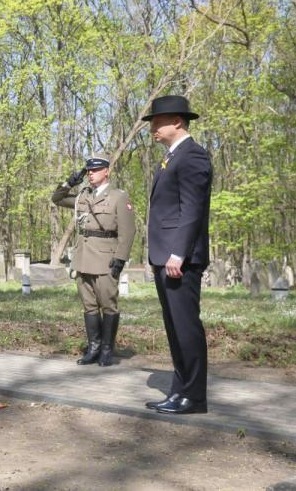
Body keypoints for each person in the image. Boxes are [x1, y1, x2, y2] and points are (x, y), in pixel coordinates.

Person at [142, 95, 212, 415]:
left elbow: (192, 211)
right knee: (174, 329)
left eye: (157, 122)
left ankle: (194, 397)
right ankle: (179, 391)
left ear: (177, 122)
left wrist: (178, 253)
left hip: (178, 259)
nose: (152, 128)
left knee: (186, 328)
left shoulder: (193, 156)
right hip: (164, 257)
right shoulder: (171, 158)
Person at [52, 153, 135, 366]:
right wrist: (70, 182)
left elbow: (127, 231)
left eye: (95, 169)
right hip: (82, 258)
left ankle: (107, 349)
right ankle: (94, 348)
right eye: (88, 170)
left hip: (106, 260)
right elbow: (57, 199)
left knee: (108, 305)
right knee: (89, 306)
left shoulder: (118, 196)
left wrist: (120, 259)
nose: (91, 173)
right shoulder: (83, 196)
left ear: (106, 171)